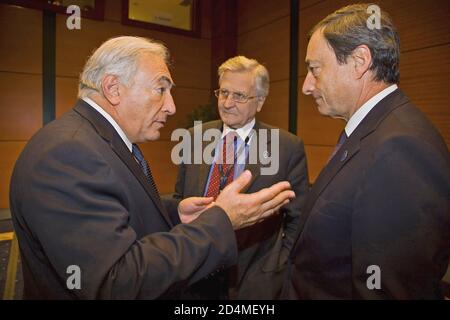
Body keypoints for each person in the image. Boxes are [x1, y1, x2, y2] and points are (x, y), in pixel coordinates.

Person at [9, 36, 295, 299]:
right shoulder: (69, 154)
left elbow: (113, 208)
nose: (171, 107)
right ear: (113, 89)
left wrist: (174, 212)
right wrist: (222, 219)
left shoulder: (95, 142)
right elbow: (116, 282)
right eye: (161, 89)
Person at [283, 4, 450, 299]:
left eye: (314, 69)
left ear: (360, 61)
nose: (307, 86)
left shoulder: (401, 149)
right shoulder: (371, 131)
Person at [163, 56, 309, 299]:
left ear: (260, 101)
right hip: (194, 276)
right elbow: (180, 198)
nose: (227, 103)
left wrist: (278, 269)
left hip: (253, 281)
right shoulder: (193, 137)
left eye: (239, 96)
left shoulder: (287, 147)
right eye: (223, 92)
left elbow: (298, 220)